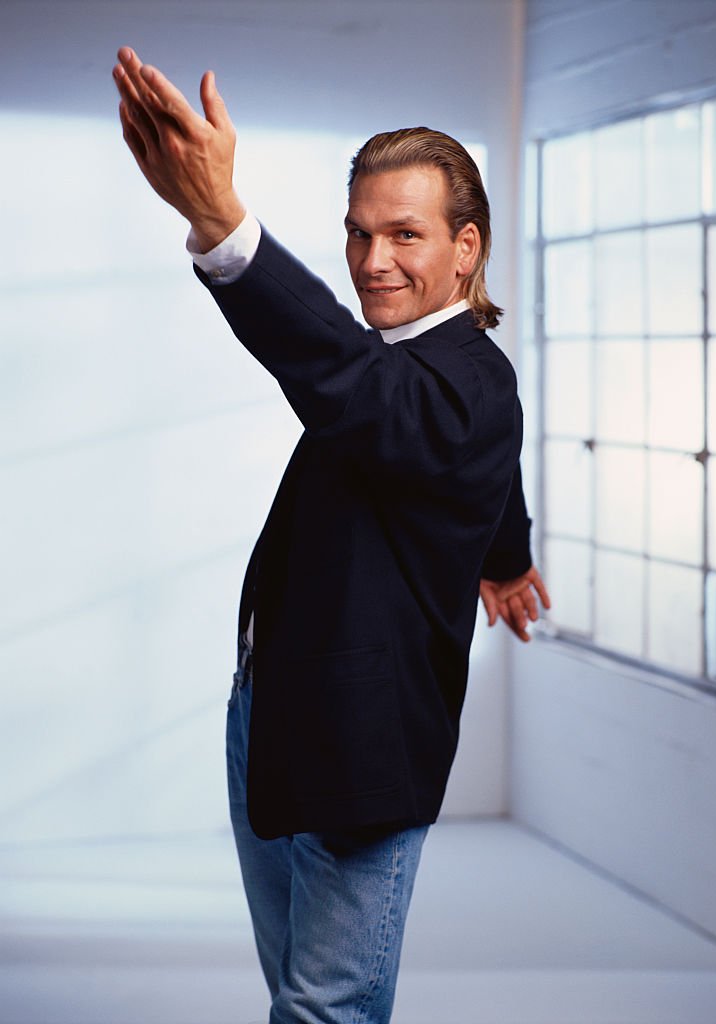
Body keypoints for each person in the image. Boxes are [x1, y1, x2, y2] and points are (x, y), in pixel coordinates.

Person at [113, 46, 550, 1024]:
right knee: (301, 995)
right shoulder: (432, 366)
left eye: (404, 234)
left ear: (465, 248)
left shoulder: (459, 380)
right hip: (272, 716)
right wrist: (505, 551)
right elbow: (458, 446)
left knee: (323, 1010)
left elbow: (359, 389)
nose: (372, 260)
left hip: (361, 743)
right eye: (357, 233)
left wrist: (224, 227)